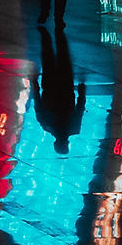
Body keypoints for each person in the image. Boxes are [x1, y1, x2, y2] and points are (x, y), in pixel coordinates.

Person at [31, 26, 86, 155]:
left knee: (63, 57)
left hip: (66, 87)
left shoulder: (74, 128)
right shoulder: (46, 124)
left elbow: (80, 108)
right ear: (55, 143)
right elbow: (38, 104)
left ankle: (59, 32)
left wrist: (82, 92)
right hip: (49, 87)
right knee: (48, 58)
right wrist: (35, 84)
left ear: (67, 143)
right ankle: (46, 35)